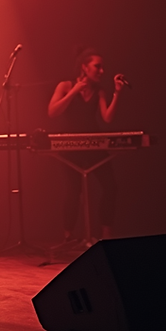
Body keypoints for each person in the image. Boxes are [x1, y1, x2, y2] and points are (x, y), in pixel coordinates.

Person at [47, 48, 127, 241]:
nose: (101, 71)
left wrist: (117, 93)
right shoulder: (65, 86)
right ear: (84, 67)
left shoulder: (99, 91)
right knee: (73, 192)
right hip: (70, 147)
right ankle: (68, 236)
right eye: (97, 67)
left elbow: (107, 118)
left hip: (93, 145)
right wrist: (73, 92)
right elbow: (52, 112)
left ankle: (106, 233)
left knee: (110, 186)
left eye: (102, 67)